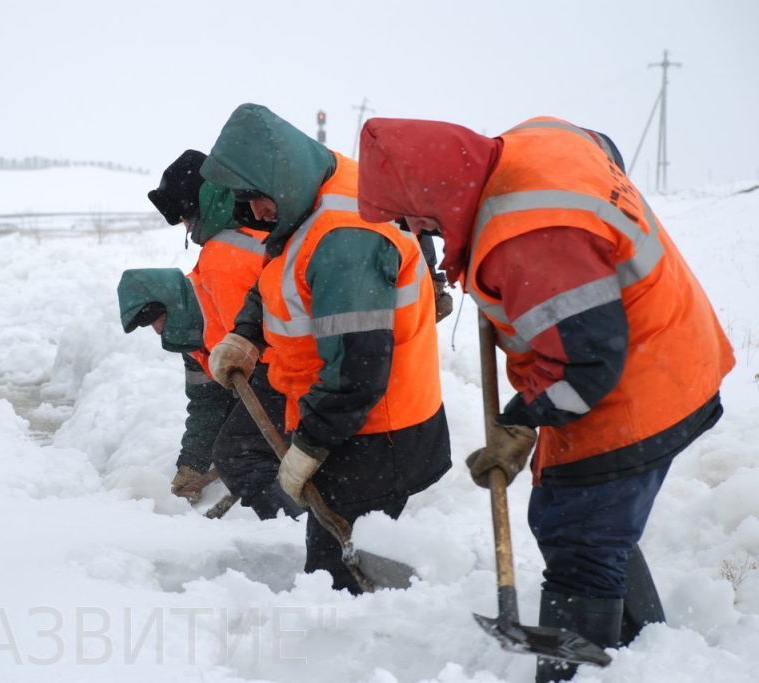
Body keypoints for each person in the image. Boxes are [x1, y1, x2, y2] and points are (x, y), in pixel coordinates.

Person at [357, 115, 735, 679]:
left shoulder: (526, 238)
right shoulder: (531, 142)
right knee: (579, 521)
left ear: (434, 190)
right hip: (671, 349)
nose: (414, 227)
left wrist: (521, 417)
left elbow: (586, 364)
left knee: (578, 536)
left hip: (642, 384)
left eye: (410, 213)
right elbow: (599, 144)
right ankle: (638, 652)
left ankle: (577, 670)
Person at [201, 103, 452, 593]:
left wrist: (311, 444)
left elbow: (358, 368)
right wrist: (245, 333)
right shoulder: (310, 197)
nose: (256, 214)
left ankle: (371, 645)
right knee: (338, 548)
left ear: (280, 176)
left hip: (379, 434)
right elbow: (280, 268)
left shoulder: (345, 239)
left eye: (257, 199)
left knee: (338, 574)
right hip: (355, 426)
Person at [131, 152, 302, 519]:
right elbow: (209, 401)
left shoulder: (223, 256)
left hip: (289, 374)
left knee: (240, 452)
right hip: (306, 367)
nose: (187, 230)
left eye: (185, 219)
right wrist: (193, 464)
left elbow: (252, 344)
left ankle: (289, 525)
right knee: (244, 446)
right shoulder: (248, 235)